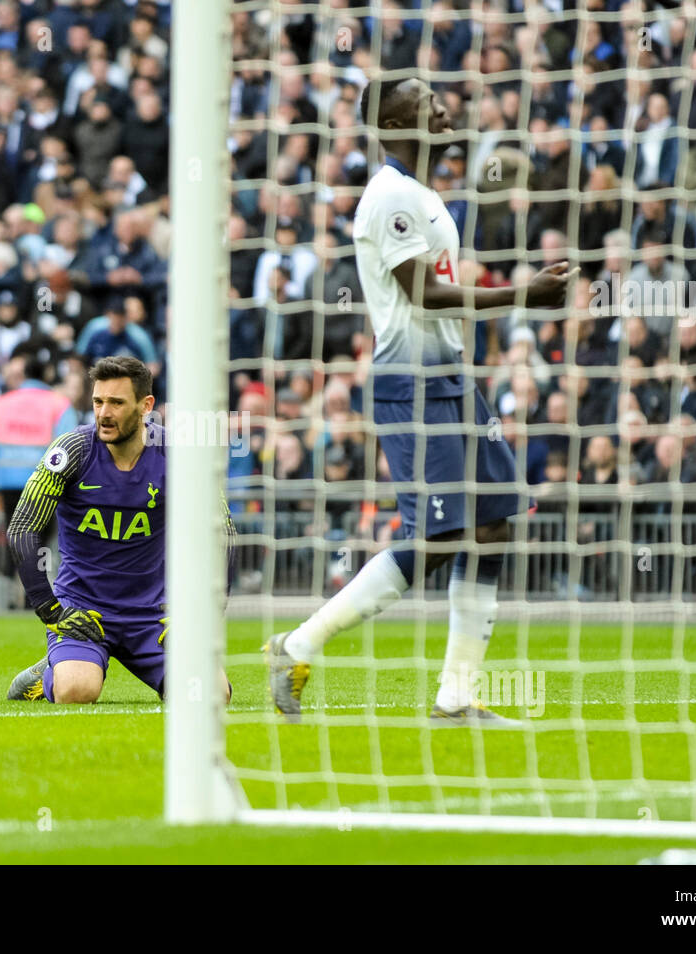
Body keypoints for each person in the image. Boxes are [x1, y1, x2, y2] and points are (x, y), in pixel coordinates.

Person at [265, 76, 572, 726]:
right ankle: (296, 645)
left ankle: (457, 696)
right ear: (398, 123)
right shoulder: (391, 197)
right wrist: (523, 296)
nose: (444, 107)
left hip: (452, 378)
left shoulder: (427, 194)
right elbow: (423, 297)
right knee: (437, 536)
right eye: (428, 102)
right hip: (412, 384)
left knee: (490, 526)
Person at [5, 356, 231, 704]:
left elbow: (223, 533)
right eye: (98, 401)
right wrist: (52, 611)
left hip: (154, 614)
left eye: (116, 403)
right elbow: (23, 528)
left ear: (146, 405)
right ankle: (47, 675)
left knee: (210, 695)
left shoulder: (180, 454)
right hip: (83, 608)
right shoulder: (73, 450)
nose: (104, 413)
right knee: (77, 692)